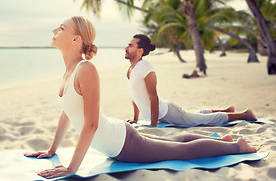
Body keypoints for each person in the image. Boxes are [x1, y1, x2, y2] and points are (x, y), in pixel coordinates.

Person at [24, 17, 256, 179]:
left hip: (122, 144)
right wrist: (52, 150)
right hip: (118, 135)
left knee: (180, 152)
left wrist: (72, 168)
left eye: (61, 28)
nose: (55, 31)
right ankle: (223, 142)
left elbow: (91, 124)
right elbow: (68, 113)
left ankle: (237, 147)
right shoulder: (68, 73)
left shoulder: (86, 70)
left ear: (76, 39)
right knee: (173, 142)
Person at [125, 34, 257, 127]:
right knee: (193, 115)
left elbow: (153, 97)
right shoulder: (130, 70)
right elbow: (134, 95)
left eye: (130, 46)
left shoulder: (145, 66)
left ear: (140, 50)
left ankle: (245, 114)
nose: (126, 48)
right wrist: (135, 118)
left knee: (201, 120)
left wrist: (153, 125)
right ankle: (227, 110)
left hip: (167, 112)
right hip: (162, 115)